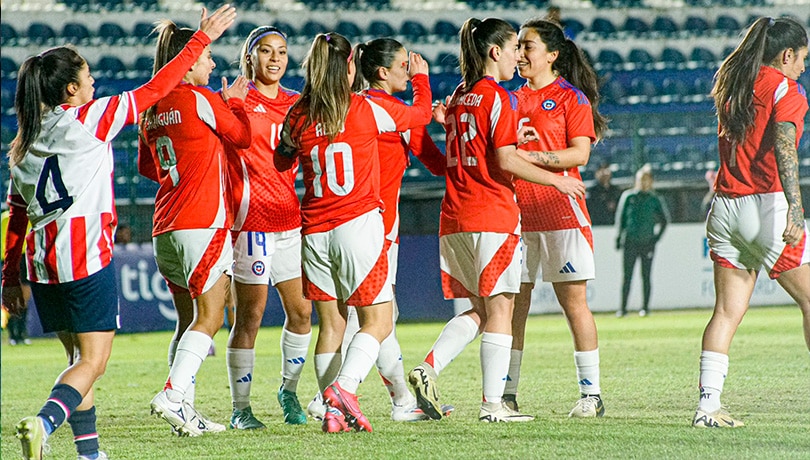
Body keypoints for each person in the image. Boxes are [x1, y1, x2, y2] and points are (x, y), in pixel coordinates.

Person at [1, 5, 236, 459]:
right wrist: (200, 40)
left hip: (42, 264)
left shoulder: (23, 142)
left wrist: (10, 277)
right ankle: (44, 423)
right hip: (84, 257)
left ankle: (89, 453)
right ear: (71, 89)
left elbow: (16, 215)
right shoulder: (89, 119)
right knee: (94, 362)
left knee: (78, 363)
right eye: (87, 78)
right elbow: (157, 88)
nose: (94, 84)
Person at [407, 17, 586, 423]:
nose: (518, 57)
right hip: (492, 214)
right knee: (502, 310)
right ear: (494, 52)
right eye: (513, 49)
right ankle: (493, 406)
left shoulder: (459, 95)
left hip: (453, 217)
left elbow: (479, 143)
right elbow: (504, 159)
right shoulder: (498, 97)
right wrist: (557, 181)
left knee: (479, 311)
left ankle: (429, 366)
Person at [275, 31, 433, 433]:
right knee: (378, 321)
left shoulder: (298, 112)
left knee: (332, 325)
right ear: (350, 67)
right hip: (357, 226)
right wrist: (422, 80)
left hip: (313, 232)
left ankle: (333, 411)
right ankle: (344, 391)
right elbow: (421, 116)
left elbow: (281, 160)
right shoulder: (364, 108)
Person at [694, 16, 810, 428]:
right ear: (787, 54)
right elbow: (784, 149)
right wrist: (796, 207)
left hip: (725, 207)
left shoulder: (735, 86)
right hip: (766, 207)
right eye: (802, 59)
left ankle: (707, 408)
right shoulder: (786, 89)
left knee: (725, 312)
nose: (802, 67)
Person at [138, 15, 251, 437]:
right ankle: (172, 394)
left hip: (165, 226)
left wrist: (184, 164)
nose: (212, 65)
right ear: (186, 62)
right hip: (202, 221)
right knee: (211, 317)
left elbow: (147, 166)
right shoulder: (199, 98)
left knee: (187, 321)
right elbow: (242, 136)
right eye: (206, 57)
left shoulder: (151, 106)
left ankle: (184, 409)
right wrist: (232, 101)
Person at [324, 37, 447, 422]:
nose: (409, 71)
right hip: (376, 227)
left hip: (329, 223)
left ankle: (398, 402)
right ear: (382, 72)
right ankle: (333, 396)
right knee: (374, 318)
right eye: (403, 66)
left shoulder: (345, 107)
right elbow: (438, 164)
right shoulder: (393, 113)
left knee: (360, 317)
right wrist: (424, 85)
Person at [506, 17, 609, 418]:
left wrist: (529, 158)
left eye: (527, 46)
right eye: (517, 46)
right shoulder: (510, 98)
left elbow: (579, 154)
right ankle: (507, 393)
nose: (520, 54)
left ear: (552, 55)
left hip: (561, 213)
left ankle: (591, 395)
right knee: (514, 306)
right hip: (517, 215)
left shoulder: (570, 99)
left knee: (573, 304)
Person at [223, 25, 313, 429]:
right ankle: (241, 409)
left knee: (302, 313)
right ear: (249, 58)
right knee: (251, 317)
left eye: (281, 51)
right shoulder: (237, 100)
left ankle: (288, 391)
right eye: (266, 52)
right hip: (252, 223)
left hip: (289, 221)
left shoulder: (298, 103)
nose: (275, 59)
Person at [615, 164, 669, 317]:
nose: (643, 183)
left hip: (647, 243)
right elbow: (621, 219)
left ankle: (645, 307)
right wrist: (619, 237)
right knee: (627, 276)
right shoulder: (628, 197)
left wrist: (656, 239)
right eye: (640, 179)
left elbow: (665, 220)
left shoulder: (654, 199)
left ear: (651, 181)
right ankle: (623, 308)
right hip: (630, 242)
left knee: (646, 276)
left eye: (646, 180)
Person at [1, 209, 32, 346]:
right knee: (16, 297)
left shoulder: (29, 216)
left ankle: (20, 332)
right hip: (11, 258)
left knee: (24, 298)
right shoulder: (5, 218)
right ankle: (14, 333)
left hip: (24, 257)